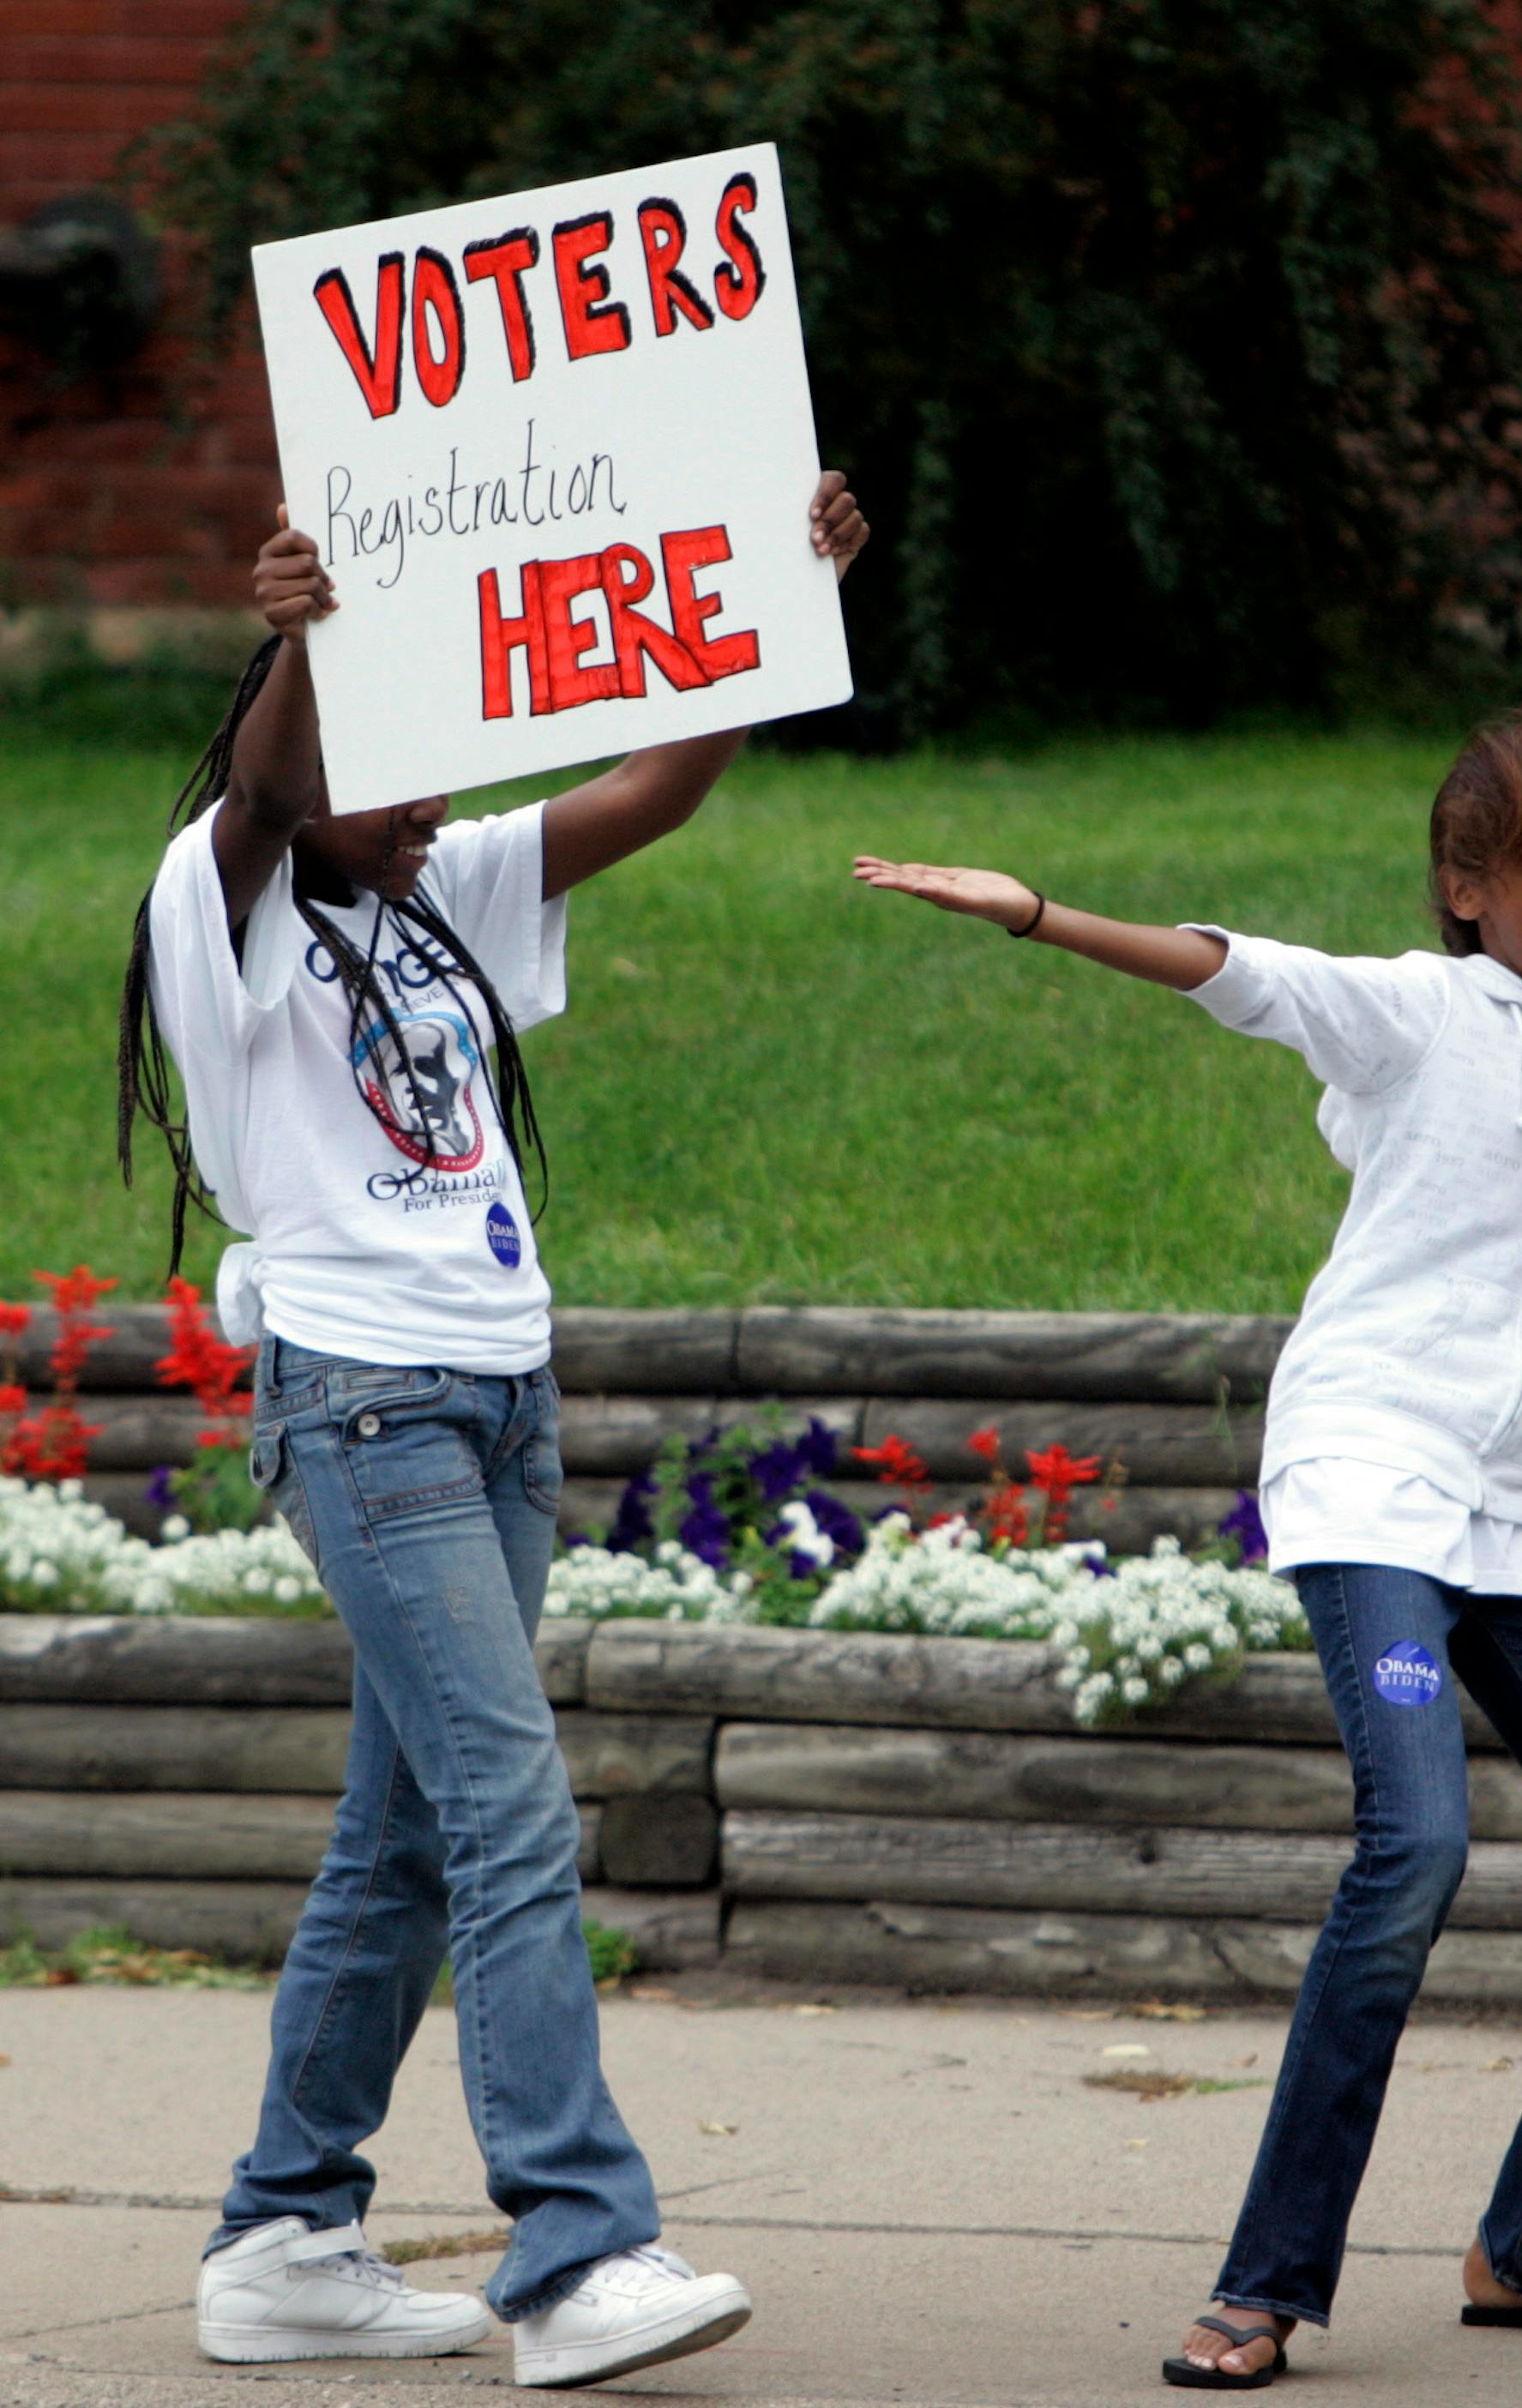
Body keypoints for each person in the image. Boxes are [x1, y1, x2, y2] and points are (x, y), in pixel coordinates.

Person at [853, 703, 1522, 2390]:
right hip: (1365, 1487)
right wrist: (1034, 910)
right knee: (1415, 1851)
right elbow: (1232, 969)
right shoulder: (1415, 1012)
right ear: (1470, 886)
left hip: (1505, 1522)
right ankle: (1266, 2283)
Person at [120, 470, 868, 2388]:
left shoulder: (434, 884)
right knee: (510, 1796)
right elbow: (280, 794)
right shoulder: (225, 903)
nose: (448, 792)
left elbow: (655, 790)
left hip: (497, 1399)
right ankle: (572, 2251)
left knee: (411, 1837)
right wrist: (303, 629)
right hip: (362, 1408)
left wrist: (773, 607)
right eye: (413, 761)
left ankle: (286, 2233)